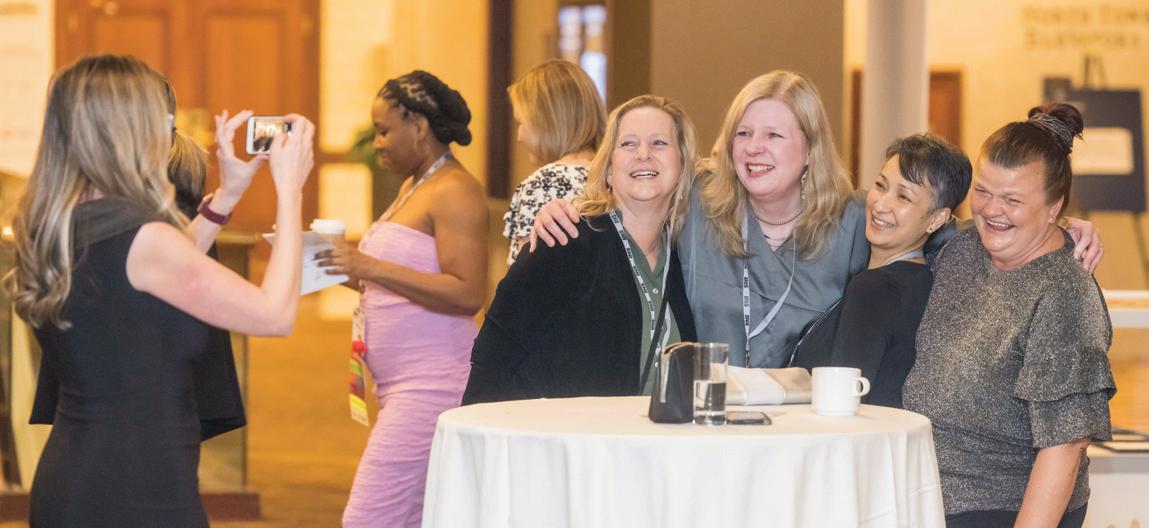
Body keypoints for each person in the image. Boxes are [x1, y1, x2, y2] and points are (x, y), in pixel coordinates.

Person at [531, 71, 1104, 369]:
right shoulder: (700, 199)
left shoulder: (856, 218)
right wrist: (569, 209)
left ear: (809, 148)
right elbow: (638, 184)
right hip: (705, 426)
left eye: (774, 135)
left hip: (804, 437)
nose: (754, 148)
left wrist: (1057, 229)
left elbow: (953, 233)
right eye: (744, 133)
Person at [11, 54, 313, 527]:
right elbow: (275, 315)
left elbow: (144, 276)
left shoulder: (57, 221)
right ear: (130, 131)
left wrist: (227, 196)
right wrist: (290, 190)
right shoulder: (143, 236)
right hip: (136, 488)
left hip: (75, 474)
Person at [903, 104, 1116, 527]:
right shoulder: (962, 249)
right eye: (983, 192)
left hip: (1005, 509)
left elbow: (1066, 444)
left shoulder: (1064, 293)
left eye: (1013, 200)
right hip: (928, 499)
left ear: (1054, 206)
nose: (991, 210)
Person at [317, 70, 488, 528]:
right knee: (412, 517)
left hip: (432, 385)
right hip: (398, 386)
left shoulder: (455, 190)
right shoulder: (414, 186)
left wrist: (369, 265)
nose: (377, 143)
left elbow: (468, 292)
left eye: (383, 131)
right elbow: (397, 282)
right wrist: (328, 265)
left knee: (369, 518)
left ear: (419, 126)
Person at [463, 95, 699, 404]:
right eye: (628, 144)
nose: (643, 154)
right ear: (609, 169)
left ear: (682, 165)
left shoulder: (686, 258)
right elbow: (496, 352)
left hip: (656, 434)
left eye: (659, 143)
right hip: (563, 433)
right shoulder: (564, 238)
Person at [790, 134, 971, 408]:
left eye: (903, 197)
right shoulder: (925, 283)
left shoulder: (876, 288)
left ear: (937, 219)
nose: (881, 204)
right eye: (880, 185)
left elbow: (843, 402)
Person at [502, 59, 606, 263]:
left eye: (520, 123)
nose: (519, 137)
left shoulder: (544, 183)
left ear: (547, 121)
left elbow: (527, 278)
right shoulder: (613, 176)